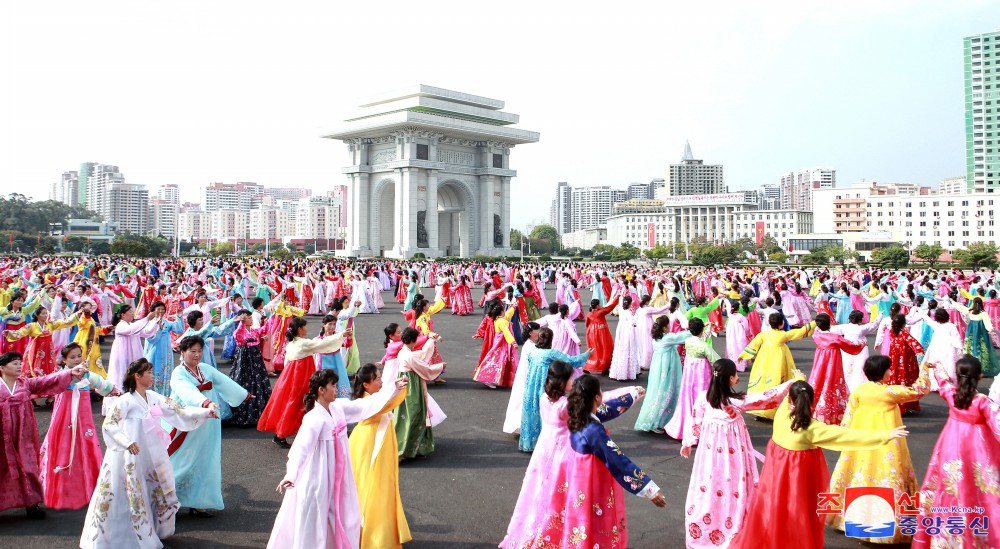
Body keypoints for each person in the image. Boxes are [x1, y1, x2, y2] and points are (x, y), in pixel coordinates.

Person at [730, 381, 908, 549]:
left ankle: (772, 538)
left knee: (773, 507)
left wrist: (797, 379)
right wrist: (885, 435)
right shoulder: (812, 428)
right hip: (797, 476)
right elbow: (847, 435)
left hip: (774, 475)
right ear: (811, 401)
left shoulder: (781, 413)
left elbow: (785, 396)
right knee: (798, 511)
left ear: (791, 399)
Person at [501, 361, 643, 549]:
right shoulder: (565, 407)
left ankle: (532, 526)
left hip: (544, 448)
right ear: (562, 382)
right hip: (561, 451)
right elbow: (601, 405)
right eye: (570, 378)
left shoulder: (545, 397)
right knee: (559, 494)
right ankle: (556, 532)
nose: (573, 380)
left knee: (537, 489)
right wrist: (631, 394)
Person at [80, 358, 216, 549]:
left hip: (152, 452)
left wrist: (205, 412)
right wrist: (127, 442)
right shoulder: (125, 400)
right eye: (149, 372)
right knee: (128, 491)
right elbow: (109, 425)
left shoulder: (153, 397)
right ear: (137, 376)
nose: (152, 376)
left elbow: (178, 409)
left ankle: (152, 530)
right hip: (130, 455)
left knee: (154, 487)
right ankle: (129, 536)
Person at [267, 369, 406, 549]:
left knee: (345, 511)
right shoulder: (313, 418)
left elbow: (364, 406)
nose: (336, 390)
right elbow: (300, 449)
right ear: (321, 390)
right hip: (321, 474)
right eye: (332, 386)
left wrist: (390, 389)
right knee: (319, 514)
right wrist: (291, 475)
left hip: (340, 473)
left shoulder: (338, 408)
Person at [527, 374, 665, 548]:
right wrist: (649, 489)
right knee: (592, 520)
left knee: (576, 520)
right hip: (589, 483)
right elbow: (617, 460)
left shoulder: (577, 414)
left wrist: (633, 395)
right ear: (597, 398)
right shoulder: (593, 431)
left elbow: (610, 408)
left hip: (575, 479)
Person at [680, 359, 802, 549]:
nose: (738, 378)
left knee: (710, 485)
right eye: (735, 375)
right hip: (733, 456)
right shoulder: (737, 402)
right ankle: (733, 526)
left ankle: (707, 529)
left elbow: (694, 421)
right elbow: (767, 398)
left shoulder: (703, 398)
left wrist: (688, 442)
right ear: (729, 378)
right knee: (734, 486)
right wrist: (791, 383)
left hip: (709, 456)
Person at [826, 355, 931, 544]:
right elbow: (919, 390)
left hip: (861, 442)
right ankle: (884, 525)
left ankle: (848, 518)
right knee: (887, 477)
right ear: (882, 373)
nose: (891, 372)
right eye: (888, 369)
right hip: (886, 443)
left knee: (857, 475)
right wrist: (926, 368)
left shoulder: (859, 390)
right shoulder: (889, 393)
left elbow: (848, 418)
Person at [913, 355, 1000, 548]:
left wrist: (937, 365)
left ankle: (948, 537)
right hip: (978, 452)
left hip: (950, 449)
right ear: (980, 376)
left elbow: (943, 380)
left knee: (948, 490)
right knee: (981, 493)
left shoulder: (952, 395)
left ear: (958, 376)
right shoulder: (983, 403)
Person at [167, 335, 252, 517]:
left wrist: (243, 394)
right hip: (188, 422)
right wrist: (206, 403)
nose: (197, 355)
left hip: (209, 422)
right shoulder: (178, 374)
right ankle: (167, 500)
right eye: (192, 351)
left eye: (199, 351)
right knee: (183, 459)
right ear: (182, 352)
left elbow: (224, 382)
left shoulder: (205, 369)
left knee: (206, 459)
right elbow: (188, 393)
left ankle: (199, 501)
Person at [0, 351, 86, 519]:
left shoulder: (24, 383)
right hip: (2, 438)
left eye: (19, 363)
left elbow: (45, 381)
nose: (19, 366)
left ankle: (32, 504)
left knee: (28, 467)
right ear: (2, 368)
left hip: (23, 436)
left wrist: (69, 372)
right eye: (14, 363)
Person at [38, 344, 118, 510]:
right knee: (63, 446)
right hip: (63, 417)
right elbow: (46, 385)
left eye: (78, 356)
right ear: (65, 360)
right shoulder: (61, 375)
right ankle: (60, 489)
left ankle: (87, 486)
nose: (76, 360)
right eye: (72, 357)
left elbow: (101, 384)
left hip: (83, 418)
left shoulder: (86, 374)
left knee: (85, 443)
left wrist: (115, 391)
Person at [258, 316, 350, 448]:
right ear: (300, 329)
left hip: (290, 378)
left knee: (292, 404)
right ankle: (282, 434)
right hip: (300, 379)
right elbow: (322, 344)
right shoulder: (303, 343)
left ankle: (283, 433)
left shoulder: (292, 344)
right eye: (305, 326)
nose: (307, 328)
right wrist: (341, 335)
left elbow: (287, 362)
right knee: (298, 404)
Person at [348, 364, 412, 549]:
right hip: (370, 445)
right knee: (375, 488)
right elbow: (387, 403)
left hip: (375, 442)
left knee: (380, 487)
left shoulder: (373, 397)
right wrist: (397, 388)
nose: (381, 380)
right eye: (377, 378)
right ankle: (376, 537)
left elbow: (387, 401)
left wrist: (396, 388)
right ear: (366, 385)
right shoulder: (367, 402)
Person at [518, 327, 591, 452]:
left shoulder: (532, 352)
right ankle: (545, 444)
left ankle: (529, 442)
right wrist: (587, 354)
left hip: (530, 386)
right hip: (544, 385)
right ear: (551, 339)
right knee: (545, 413)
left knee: (531, 410)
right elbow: (571, 361)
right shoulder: (551, 353)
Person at [738, 312, 816, 419]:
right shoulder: (783, 335)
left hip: (764, 361)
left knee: (763, 382)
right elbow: (800, 332)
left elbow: (753, 344)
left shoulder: (764, 334)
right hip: (778, 362)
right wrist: (814, 323)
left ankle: (760, 409)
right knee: (776, 384)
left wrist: (743, 355)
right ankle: (773, 411)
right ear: (782, 324)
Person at [665, 318, 721, 439]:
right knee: (701, 399)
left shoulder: (688, 341)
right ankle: (701, 429)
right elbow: (717, 360)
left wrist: (705, 329)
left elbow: (700, 338)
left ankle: (684, 426)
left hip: (689, 375)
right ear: (701, 330)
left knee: (687, 398)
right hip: (701, 376)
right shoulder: (704, 346)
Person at [395, 327, 446, 459]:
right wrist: (440, 366)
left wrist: (430, 340)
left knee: (407, 414)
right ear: (413, 340)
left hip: (406, 384)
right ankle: (407, 447)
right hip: (411, 386)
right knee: (415, 414)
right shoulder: (410, 356)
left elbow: (422, 354)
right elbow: (425, 368)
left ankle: (414, 446)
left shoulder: (403, 352)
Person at [634, 316, 690, 433]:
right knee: (665, 392)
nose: (670, 327)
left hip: (657, 370)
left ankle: (653, 421)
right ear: (664, 328)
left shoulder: (656, 339)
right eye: (668, 325)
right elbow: (682, 336)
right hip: (666, 370)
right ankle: (658, 423)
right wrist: (694, 330)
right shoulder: (667, 339)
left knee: (656, 392)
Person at [808, 313, 866, 425]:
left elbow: (817, 329)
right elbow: (851, 345)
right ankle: (832, 412)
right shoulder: (834, 337)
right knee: (831, 381)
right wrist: (862, 343)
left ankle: (814, 407)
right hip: (832, 363)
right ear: (829, 324)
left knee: (818, 380)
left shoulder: (816, 335)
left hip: (820, 362)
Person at [229, 310, 272, 426]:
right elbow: (238, 336)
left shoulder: (254, 331)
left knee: (259, 382)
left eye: (250, 317)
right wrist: (241, 324)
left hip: (256, 361)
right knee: (243, 382)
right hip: (244, 362)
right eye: (248, 318)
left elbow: (264, 330)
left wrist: (269, 319)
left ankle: (260, 412)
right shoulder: (239, 331)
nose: (250, 319)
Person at [502, 321, 540, 434]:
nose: (539, 332)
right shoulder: (531, 347)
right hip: (526, 376)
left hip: (524, 375)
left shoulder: (529, 345)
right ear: (530, 333)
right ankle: (523, 425)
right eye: (536, 330)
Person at [473, 302, 520, 389]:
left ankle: (493, 378)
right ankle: (487, 378)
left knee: (497, 361)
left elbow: (508, 314)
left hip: (500, 344)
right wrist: (513, 342)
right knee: (496, 361)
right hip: (500, 345)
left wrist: (513, 306)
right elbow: (506, 332)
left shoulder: (498, 319)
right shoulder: (502, 321)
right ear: (501, 312)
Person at [886, 313, 926, 414]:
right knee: (905, 382)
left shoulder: (891, 332)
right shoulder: (904, 335)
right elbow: (915, 345)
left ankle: (895, 404)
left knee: (895, 381)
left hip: (894, 362)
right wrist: (920, 351)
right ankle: (904, 406)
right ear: (903, 324)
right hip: (904, 362)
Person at [582, 293, 620, 374]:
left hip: (591, 332)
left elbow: (587, 324)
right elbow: (610, 307)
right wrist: (617, 297)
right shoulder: (600, 312)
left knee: (593, 350)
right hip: (601, 333)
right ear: (597, 305)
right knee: (604, 348)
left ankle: (589, 365)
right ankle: (604, 366)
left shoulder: (589, 314)